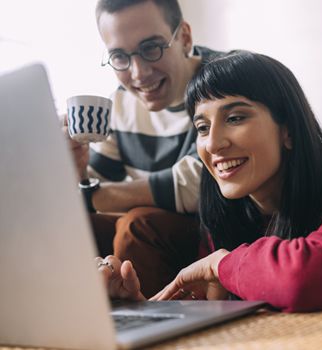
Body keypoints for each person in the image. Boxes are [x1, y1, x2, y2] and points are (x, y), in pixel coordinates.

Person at [96, 50, 322, 312]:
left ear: (288, 130)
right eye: (203, 128)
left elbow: (303, 281)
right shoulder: (226, 215)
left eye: (235, 118)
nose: (214, 144)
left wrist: (219, 264)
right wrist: (141, 312)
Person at [63, 0, 222, 297]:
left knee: (137, 225)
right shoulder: (120, 104)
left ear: (184, 37)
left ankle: (151, 323)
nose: (138, 73)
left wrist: (92, 194)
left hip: (214, 230)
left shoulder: (219, 81)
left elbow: (194, 187)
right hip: (157, 237)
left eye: (151, 48)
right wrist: (78, 171)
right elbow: (91, 190)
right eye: (119, 57)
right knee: (77, 226)